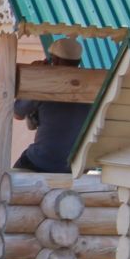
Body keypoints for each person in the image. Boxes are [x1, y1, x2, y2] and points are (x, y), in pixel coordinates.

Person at [13, 37, 89, 173]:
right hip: (74, 166)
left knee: (11, 180)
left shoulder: (45, 85)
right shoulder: (90, 86)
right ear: (78, 61)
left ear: (55, 60)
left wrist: (35, 77)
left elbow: (17, 113)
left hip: (43, 161)